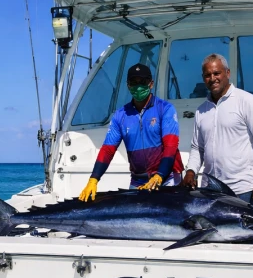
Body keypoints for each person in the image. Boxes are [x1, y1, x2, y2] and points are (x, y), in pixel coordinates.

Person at [78, 63, 184, 201]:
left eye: (143, 82)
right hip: (137, 183)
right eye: (134, 82)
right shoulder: (120, 116)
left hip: (166, 179)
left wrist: (160, 175)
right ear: (128, 85)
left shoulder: (165, 109)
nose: (138, 86)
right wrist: (93, 179)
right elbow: (107, 150)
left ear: (151, 84)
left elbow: (171, 146)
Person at [183, 54, 253, 206]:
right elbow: (197, 147)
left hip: (241, 190)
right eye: (207, 75)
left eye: (216, 73)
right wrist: (191, 171)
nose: (212, 78)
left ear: (227, 73)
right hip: (210, 190)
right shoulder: (201, 110)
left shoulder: (247, 101)